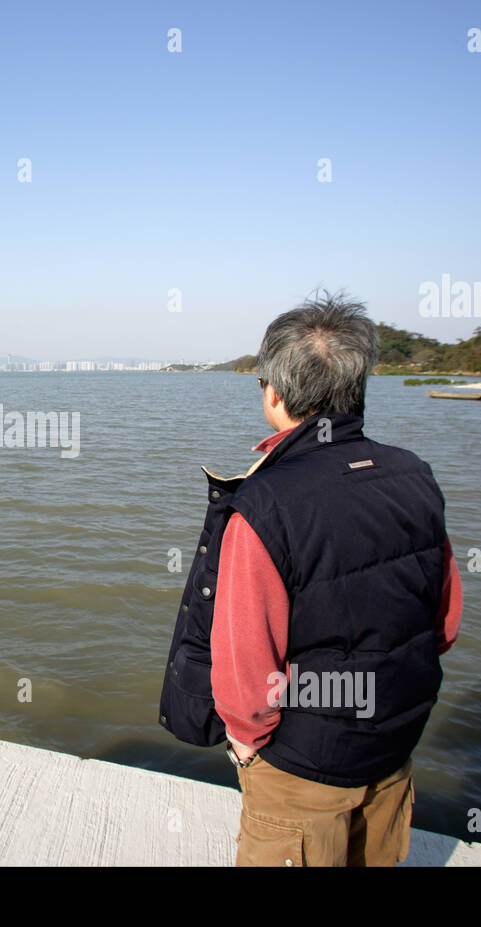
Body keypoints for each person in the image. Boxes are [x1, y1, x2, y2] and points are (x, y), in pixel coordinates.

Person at [171, 292, 463, 866]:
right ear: (357, 386)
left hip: (302, 765)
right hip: (395, 741)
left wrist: (248, 745)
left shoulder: (265, 502)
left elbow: (245, 663)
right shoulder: (414, 475)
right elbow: (445, 623)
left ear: (274, 394)